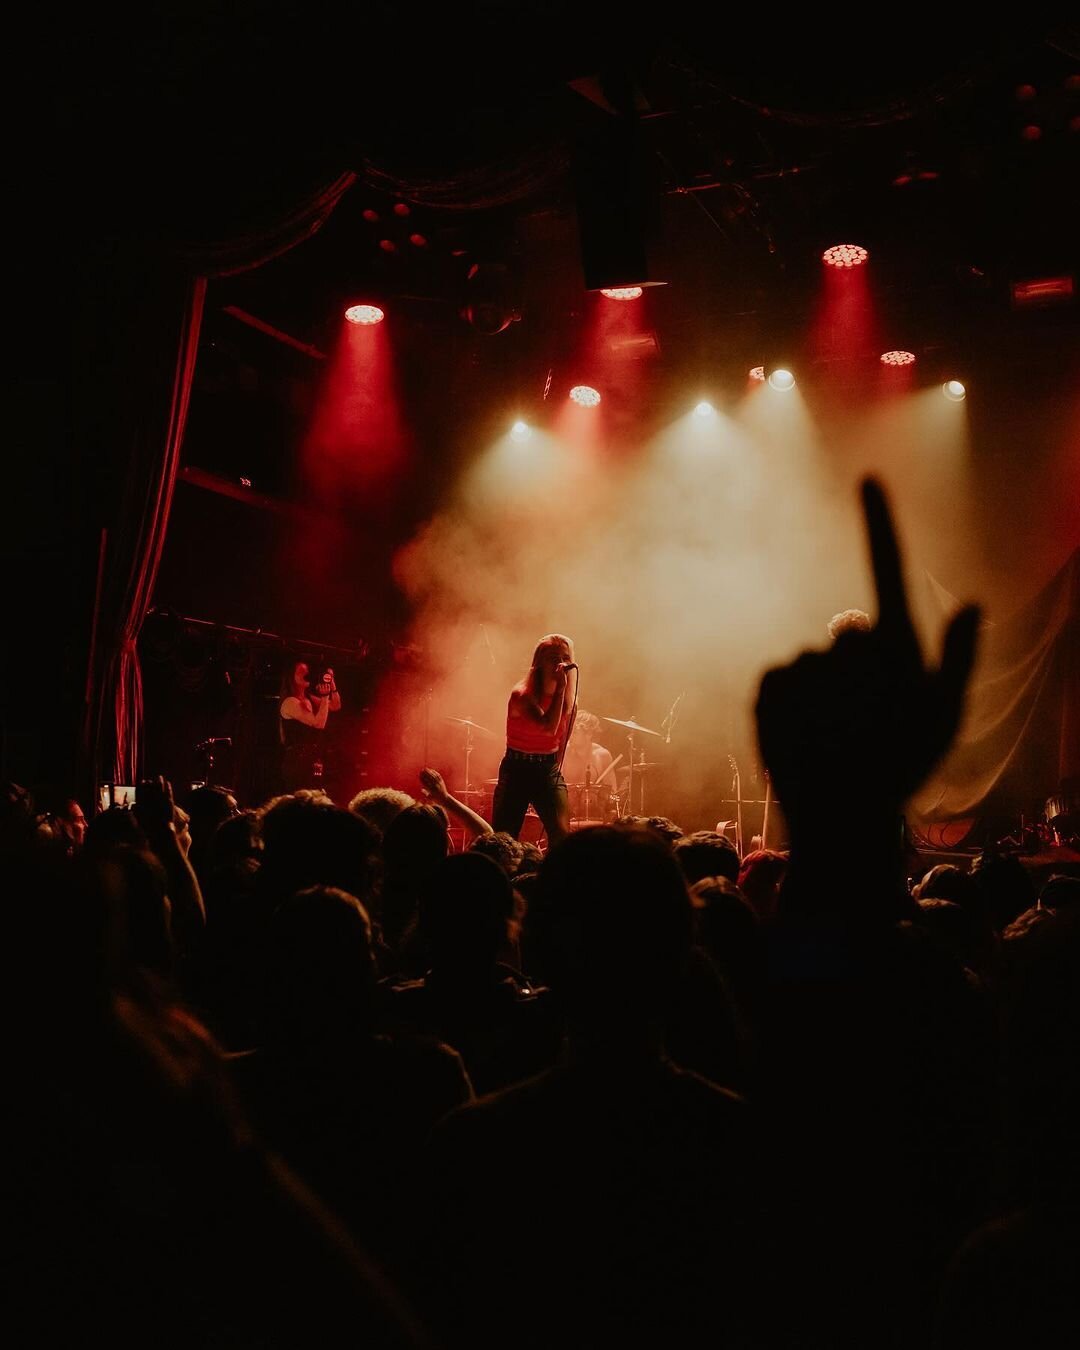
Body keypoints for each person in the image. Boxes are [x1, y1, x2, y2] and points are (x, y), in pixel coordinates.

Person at [491, 633, 577, 849]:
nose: (561, 663)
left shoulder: (569, 701)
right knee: (504, 837)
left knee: (562, 833)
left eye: (565, 657)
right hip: (517, 768)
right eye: (553, 658)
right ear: (539, 662)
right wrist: (560, 689)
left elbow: (562, 739)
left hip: (546, 768)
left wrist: (553, 768)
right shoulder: (522, 695)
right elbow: (549, 728)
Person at [278, 658, 341, 793]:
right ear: (291, 677)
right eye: (301, 671)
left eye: (307, 670)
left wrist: (331, 683)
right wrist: (324, 697)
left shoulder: (309, 698)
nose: (306, 673)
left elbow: (336, 705)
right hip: (296, 760)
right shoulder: (290, 702)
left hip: (310, 757)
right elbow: (318, 723)